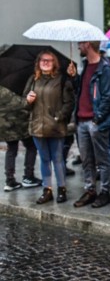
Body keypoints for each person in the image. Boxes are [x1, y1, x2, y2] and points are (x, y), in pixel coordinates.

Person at [68, 41, 110, 208]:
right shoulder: (84, 66)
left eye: (80, 43)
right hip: (82, 121)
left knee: (102, 160)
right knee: (86, 159)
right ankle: (90, 190)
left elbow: (109, 97)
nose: (77, 47)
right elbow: (82, 92)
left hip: (96, 121)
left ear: (88, 44)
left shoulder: (105, 68)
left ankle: (105, 192)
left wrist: (97, 119)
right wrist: (74, 77)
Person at [22, 51, 75, 203]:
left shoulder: (62, 80)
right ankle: (47, 190)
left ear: (54, 63)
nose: (45, 62)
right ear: (38, 62)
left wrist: (59, 116)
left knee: (57, 159)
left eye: (49, 60)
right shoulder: (33, 80)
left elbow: (69, 102)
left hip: (56, 127)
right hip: (37, 126)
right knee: (44, 159)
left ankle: (62, 189)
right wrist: (28, 101)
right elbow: (24, 103)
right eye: (43, 60)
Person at [1, 86, 41, 191]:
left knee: (11, 150)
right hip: (18, 122)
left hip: (5, 125)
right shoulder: (6, 89)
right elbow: (21, 103)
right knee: (31, 146)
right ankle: (28, 176)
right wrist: (28, 100)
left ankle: (10, 180)